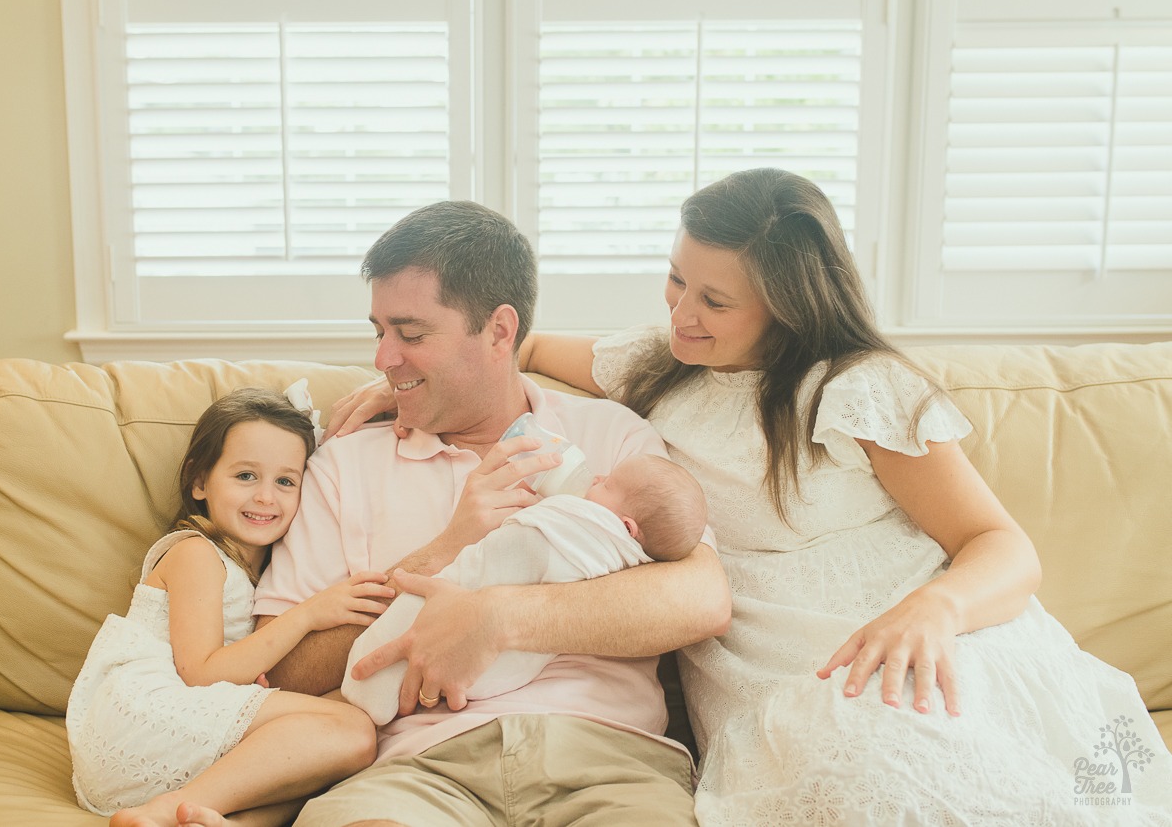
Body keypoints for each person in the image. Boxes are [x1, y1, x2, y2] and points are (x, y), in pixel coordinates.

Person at [330, 169, 1172, 823]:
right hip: (771, 677)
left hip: (901, 631)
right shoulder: (658, 365)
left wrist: (937, 609)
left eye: (714, 299)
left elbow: (1004, 545)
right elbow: (509, 342)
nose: (682, 314)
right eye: (674, 280)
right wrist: (402, 381)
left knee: (935, 777)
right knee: (852, 771)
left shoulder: (855, 390)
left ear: (785, 305)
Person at [213, 200, 731, 827]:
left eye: (411, 334)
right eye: (379, 332)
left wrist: (496, 620)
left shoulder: (612, 441)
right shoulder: (342, 464)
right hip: (417, 770)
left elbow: (699, 601)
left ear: (499, 330)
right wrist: (442, 552)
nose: (382, 359)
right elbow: (287, 674)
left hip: (607, 760)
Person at [67, 386, 396, 827]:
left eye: (285, 481)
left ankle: (219, 819)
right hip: (142, 721)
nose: (265, 497)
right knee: (354, 732)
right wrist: (310, 614)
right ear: (199, 481)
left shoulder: (265, 572)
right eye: (245, 476)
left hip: (174, 737)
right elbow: (201, 672)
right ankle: (164, 812)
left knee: (326, 750)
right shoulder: (195, 554)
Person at [343, 452, 708, 725]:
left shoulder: (591, 523)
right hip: (439, 739)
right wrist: (449, 544)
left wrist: (493, 616)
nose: (595, 478)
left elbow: (704, 603)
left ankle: (371, 694)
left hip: (597, 733)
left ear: (626, 529)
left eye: (608, 484)